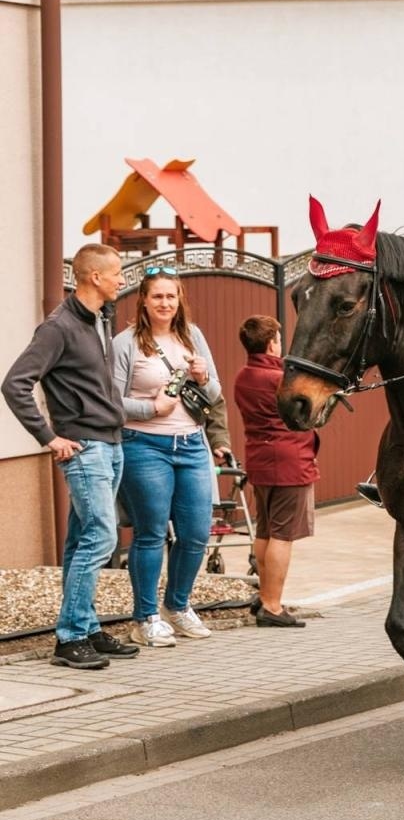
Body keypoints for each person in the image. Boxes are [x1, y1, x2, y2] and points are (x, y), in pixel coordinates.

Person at [3, 245, 138, 669]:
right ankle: (70, 638)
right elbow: (15, 384)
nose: (122, 279)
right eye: (116, 273)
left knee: (83, 540)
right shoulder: (57, 327)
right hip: (84, 448)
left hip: (110, 443)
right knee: (102, 537)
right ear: (94, 277)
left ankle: (87, 626)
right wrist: (48, 436)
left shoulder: (99, 320)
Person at [111, 269, 220, 647]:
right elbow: (111, 403)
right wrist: (150, 408)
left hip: (191, 445)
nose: (165, 303)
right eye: (157, 296)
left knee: (195, 533)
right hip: (143, 445)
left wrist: (204, 377)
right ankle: (145, 618)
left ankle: (178, 605)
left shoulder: (193, 336)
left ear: (179, 300)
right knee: (152, 532)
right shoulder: (125, 343)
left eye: (171, 297)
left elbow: (215, 391)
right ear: (143, 300)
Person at [234, 315, 318, 628]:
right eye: (279, 339)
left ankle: (265, 595)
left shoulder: (243, 376)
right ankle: (272, 604)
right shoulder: (281, 378)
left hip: (259, 459)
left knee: (266, 530)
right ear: (272, 343)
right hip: (289, 461)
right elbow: (308, 411)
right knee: (283, 535)